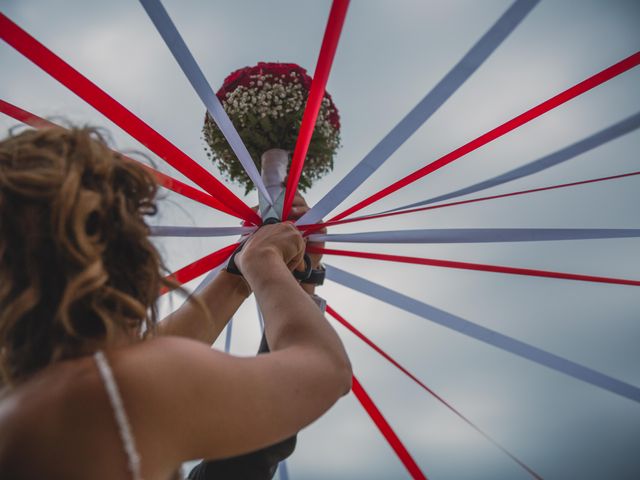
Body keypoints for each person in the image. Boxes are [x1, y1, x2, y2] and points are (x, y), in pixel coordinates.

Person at [0, 126, 352, 479]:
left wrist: (250, 270)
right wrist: (263, 262)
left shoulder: (25, 400)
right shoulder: (109, 392)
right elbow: (324, 367)